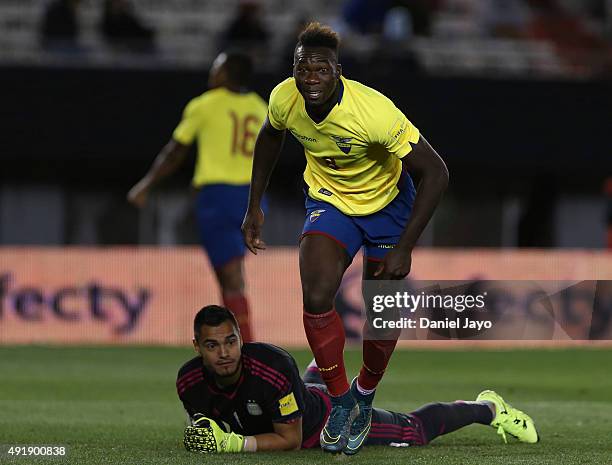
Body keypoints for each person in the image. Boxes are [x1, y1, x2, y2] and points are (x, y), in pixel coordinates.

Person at [241, 22, 449, 454]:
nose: (310, 77)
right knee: (316, 294)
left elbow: (436, 172)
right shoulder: (284, 97)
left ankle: (366, 394)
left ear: (339, 71)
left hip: (387, 206)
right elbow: (269, 136)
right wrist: (253, 205)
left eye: (321, 68)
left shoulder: (373, 111)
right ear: (293, 69)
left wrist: (406, 246)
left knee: (384, 309)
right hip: (331, 202)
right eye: (303, 67)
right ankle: (340, 401)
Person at [177, 305, 539, 454]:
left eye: (230, 342)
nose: (224, 353)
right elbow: (203, 427)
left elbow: (290, 438)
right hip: (301, 396)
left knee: (413, 430)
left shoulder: (270, 366)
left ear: (241, 339)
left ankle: (488, 408)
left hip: (322, 422)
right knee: (305, 385)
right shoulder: (188, 381)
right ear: (197, 347)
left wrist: (236, 445)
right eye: (212, 345)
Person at [127, 52, 267, 342]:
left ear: (227, 73)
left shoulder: (205, 105)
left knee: (231, 280)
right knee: (233, 276)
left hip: (218, 196)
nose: (211, 73)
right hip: (253, 198)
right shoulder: (261, 107)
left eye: (216, 67)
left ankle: (250, 352)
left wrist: (147, 184)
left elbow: (175, 151)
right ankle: (241, 345)